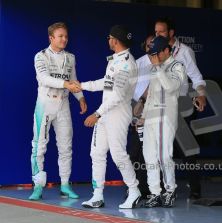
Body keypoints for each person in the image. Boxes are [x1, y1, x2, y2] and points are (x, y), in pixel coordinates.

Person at [80, 25, 141, 209]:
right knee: (96, 153)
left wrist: (97, 113)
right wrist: (82, 85)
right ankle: (97, 195)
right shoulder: (114, 60)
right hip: (105, 114)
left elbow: (118, 95)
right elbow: (106, 84)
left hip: (117, 115)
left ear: (114, 40)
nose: (108, 40)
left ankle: (134, 191)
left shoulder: (127, 64)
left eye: (109, 37)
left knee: (118, 155)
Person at [30, 22, 87, 200]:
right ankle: (38, 186)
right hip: (45, 105)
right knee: (39, 146)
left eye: (66, 36)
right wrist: (65, 84)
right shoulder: (41, 56)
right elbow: (43, 78)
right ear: (51, 38)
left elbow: (73, 79)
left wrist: (81, 98)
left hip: (63, 105)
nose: (64, 39)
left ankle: (65, 185)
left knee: (66, 146)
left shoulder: (71, 57)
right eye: (60, 36)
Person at [154, 17, 206, 199]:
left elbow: (197, 77)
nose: (157, 35)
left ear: (171, 33)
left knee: (187, 148)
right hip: (159, 103)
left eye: (161, 32)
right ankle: (159, 189)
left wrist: (201, 94)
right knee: (159, 147)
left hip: (181, 104)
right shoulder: (154, 50)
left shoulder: (185, 52)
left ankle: (195, 188)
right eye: (156, 32)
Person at [140, 36, 186, 208]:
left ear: (167, 50)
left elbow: (171, 87)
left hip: (165, 116)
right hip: (151, 116)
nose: (154, 57)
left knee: (164, 155)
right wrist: (143, 116)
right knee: (149, 155)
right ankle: (155, 192)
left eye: (157, 53)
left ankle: (170, 190)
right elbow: (151, 94)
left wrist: (158, 68)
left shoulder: (177, 66)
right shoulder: (156, 67)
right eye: (153, 54)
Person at [128, 34, 154, 200]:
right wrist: (133, 115)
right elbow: (130, 90)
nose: (151, 46)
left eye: (154, 43)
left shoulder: (165, 64)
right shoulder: (138, 63)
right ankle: (133, 188)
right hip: (137, 113)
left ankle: (149, 189)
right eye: (148, 44)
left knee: (150, 154)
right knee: (135, 152)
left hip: (154, 114)